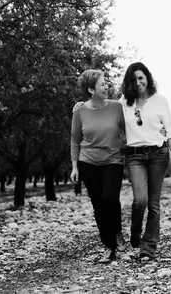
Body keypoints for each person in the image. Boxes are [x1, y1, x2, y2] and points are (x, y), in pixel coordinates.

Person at [119, 62, 171, 262]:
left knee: (153, 204)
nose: (138, 83)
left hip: (158, 155)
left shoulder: (160, 101)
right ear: (129, 82)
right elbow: (102, 108)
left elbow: (169, 131)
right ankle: (135, 231)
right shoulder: (123, 102)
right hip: (135, 156)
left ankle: (148, 248)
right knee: (140, 201)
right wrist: (82, 106)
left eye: (141, 78)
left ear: (147, 77)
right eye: (134, 79)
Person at [70, 69, 127, 263]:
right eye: (102, 84)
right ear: (90, 90)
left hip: (113, 159)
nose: (107, 86)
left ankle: (117, 231)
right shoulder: (79, 111)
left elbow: (130, 129)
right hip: (88, 162)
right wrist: (74, 167)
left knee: (110, 197)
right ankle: (109, 246)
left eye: (106, 82)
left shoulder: (116, 107)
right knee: (98, 204)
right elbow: (75, 140)